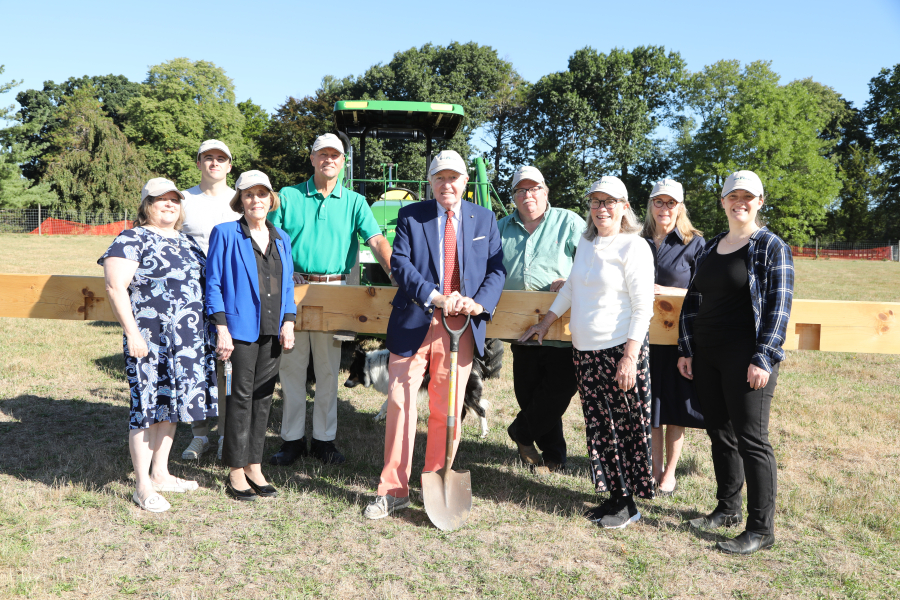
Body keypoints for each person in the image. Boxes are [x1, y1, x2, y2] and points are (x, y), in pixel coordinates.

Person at [363, 150, 506, 519]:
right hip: (415, 321)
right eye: (440, 178)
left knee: (448, 409)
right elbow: (400, 262)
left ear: (465, 182)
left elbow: (496, 270)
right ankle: (393, 489)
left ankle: (434, 480)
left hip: (460, 328)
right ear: (431, 182)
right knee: (400, 405)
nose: (448, 184)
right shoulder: (413, 215)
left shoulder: (485, 220)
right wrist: (435, 295)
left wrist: (479, 303)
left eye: (454, 177)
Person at [519, 175, 655, 529]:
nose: (601, 208)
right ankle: (612, 497)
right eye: (595, 202)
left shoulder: (634, 247)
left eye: (609, 202)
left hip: (619, 353)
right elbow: (571, 291)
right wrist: (545, 322)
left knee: (623, 428)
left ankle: (628, 506)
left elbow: (643, 307)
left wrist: (629, 357)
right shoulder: (586, 242)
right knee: (600, 429)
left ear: (624, 207)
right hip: (586, 352)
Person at [678, 170, 793, 555]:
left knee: (752, 441)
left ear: (760, 202)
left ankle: (761, 529)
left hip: (747, 358)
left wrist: (764, 356)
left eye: (748, 197)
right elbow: (694, 302)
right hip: (707, 355)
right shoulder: (710, 248)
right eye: (733, 196)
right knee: (720, 435)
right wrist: (688, 349)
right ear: (723, 201)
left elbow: (779, 307)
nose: (739, 202)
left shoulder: (770, 246)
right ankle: (727, 509)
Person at [269, 133, 392, 466]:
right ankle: (292, 441)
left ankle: (324, 441)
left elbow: (377, 240)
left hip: (335, 291)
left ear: (342, 162)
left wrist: (397, 274)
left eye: (335, 155)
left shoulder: (355, 202)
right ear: (311, 159)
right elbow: (268, 238)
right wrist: (285, 269)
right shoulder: (287, 197)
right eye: (322, 154)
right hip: (292, 291)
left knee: (327, 372)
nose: (328, 160)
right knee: (291, 370)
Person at [99, 178, 218, 512]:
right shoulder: (131, 238)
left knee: (173, 406)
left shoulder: (188, 243)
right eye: (159, 199)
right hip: (149, 341)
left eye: (174, 200)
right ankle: (142, 485)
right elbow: (114, 287)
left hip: (189, 342)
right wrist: (133, 334)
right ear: (145, 205)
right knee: (147, 409)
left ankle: (162, 473)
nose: (168, 204)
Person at [206, 170, 296, 501]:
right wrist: (221, 327)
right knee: (239, 397)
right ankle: (235, 469)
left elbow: (287, 284)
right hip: (239, 331)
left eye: (262, 194)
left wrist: (289, 321)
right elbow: (213, 282)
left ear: (271, 199)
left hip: (273, 329)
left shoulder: (282, 237)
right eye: (248, 194)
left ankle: (254, 465)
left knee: (263, 397)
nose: (256, 200)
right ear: (240, 200)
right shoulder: (226, 234)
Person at [498, 165, 584, 473]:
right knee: (529, 393)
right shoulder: (501, 227)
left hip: (562, 325)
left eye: (534, 189)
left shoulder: (569, 222)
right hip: (519, 327)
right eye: (521, 190)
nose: (528, 195)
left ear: (545, 192)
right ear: (514, 197)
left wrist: (571, 279)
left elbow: (592, 259)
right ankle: (554, 456)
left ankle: (521, 432)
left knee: (560, 387)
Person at [640, 179, 705, 496]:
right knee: (651, 406)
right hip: (641, 338)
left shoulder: (696, 244)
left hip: (680, 340)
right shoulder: (636, 240)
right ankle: (651, 468)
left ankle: (669, 472)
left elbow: (705, 293)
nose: (664, 208)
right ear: (651, 205)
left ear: (680, 207)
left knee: (675, 408)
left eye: (671, 203)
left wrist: (667, 292)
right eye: (659, 202)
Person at [179, 139, 240, 461]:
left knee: (228, 367)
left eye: (221, 159)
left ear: (230, 165)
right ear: (199, 163)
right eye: (208, 158)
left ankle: (226, 436)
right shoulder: (183, 200)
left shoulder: (241, 199)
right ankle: (199, 435)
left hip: (232, 293)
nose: (214, 163)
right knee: (196, 367)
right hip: (189, 296)